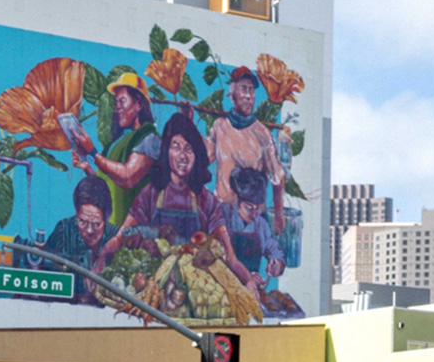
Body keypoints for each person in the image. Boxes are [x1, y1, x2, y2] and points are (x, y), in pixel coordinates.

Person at [97, 111, 261, 296]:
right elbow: (121, 237)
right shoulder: (150, 194)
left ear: (196, 155)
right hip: (153, 291)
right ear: (166, 151)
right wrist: (102, 258)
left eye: (188, 149)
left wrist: (248, 280)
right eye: (176, 147)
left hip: (194, 292)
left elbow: (230, 258)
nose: (182, 156)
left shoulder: (207, 202)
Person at [69, 72, 159, 226]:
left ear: (138, 104)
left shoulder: (150, 138)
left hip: (132, 231)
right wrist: (88, 169)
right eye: (116, 102)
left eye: (122, 101)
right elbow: (106, 185)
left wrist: (93, 153)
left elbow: (128, 177)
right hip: (109, 228)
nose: (117, 107)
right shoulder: (117, 142)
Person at [205, 65, 286, 233]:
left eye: (251, 90)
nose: (248, 96)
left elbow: (278, 177)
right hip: (221, 215)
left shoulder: (262, 134)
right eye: (243, 88)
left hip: (251, 219)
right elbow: (204, 159)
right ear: (232, 94)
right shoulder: (219, 126)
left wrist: (279, 214)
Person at [43, 174, 118, 301]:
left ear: (107, 218)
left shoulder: (116, 237)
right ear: (76, 213)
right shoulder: (63, 232)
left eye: (96, 224)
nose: (89, 230)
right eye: (82, 222)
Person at [221, 166, 286, 286]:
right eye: (249, 208)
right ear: (235, 199)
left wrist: (277, 261)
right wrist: (246, 276)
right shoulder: (223, 216)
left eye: (258, 208)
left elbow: (272, 246)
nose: (254, 214)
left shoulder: (260, 224)